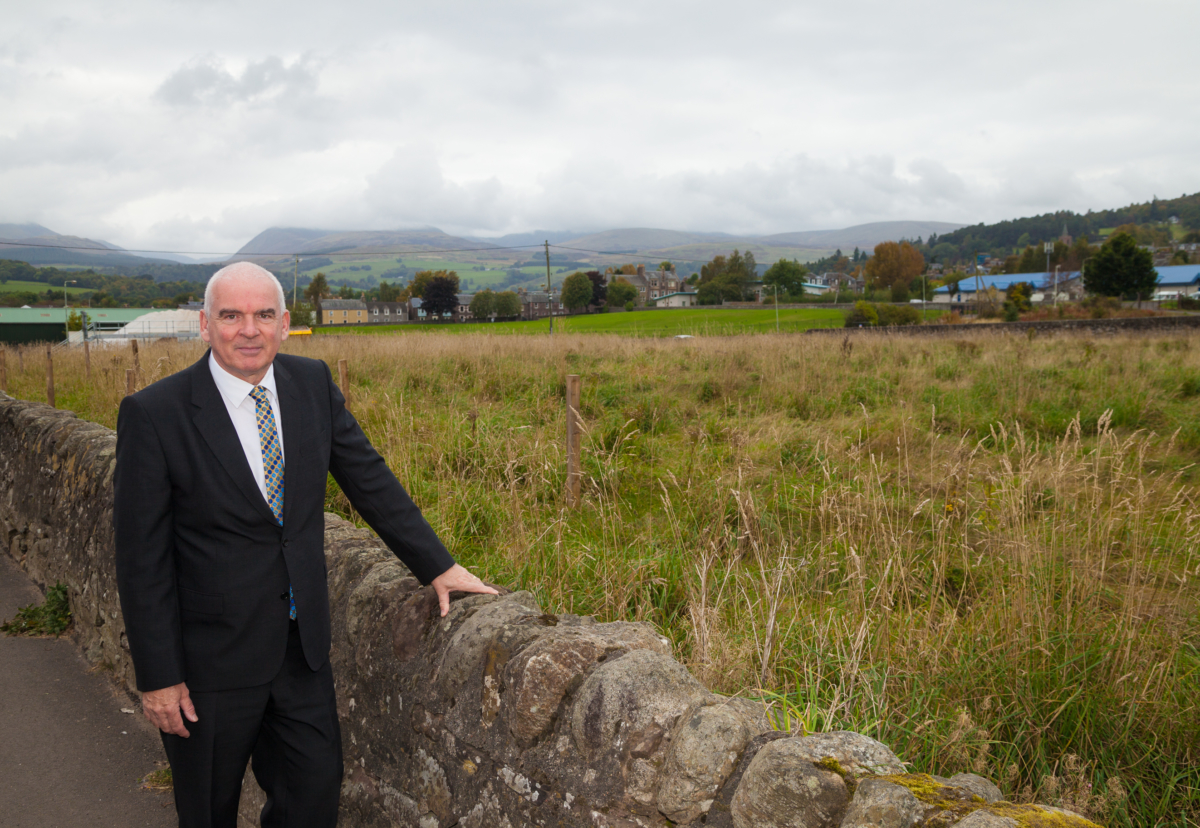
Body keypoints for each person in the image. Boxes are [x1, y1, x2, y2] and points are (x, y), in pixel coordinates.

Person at [113, 262, 496, 828]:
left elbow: (369, 478)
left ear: (285, 323)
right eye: (231, 315)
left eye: (263, 314)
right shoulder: (155, 414)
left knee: (313, 799)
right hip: (207, 665)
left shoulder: (311, 384)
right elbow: (140, 559)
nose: (249, 329)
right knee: (207, 812)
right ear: (204, 325)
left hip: (301, 652)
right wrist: (159, 676)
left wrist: (437, 565)